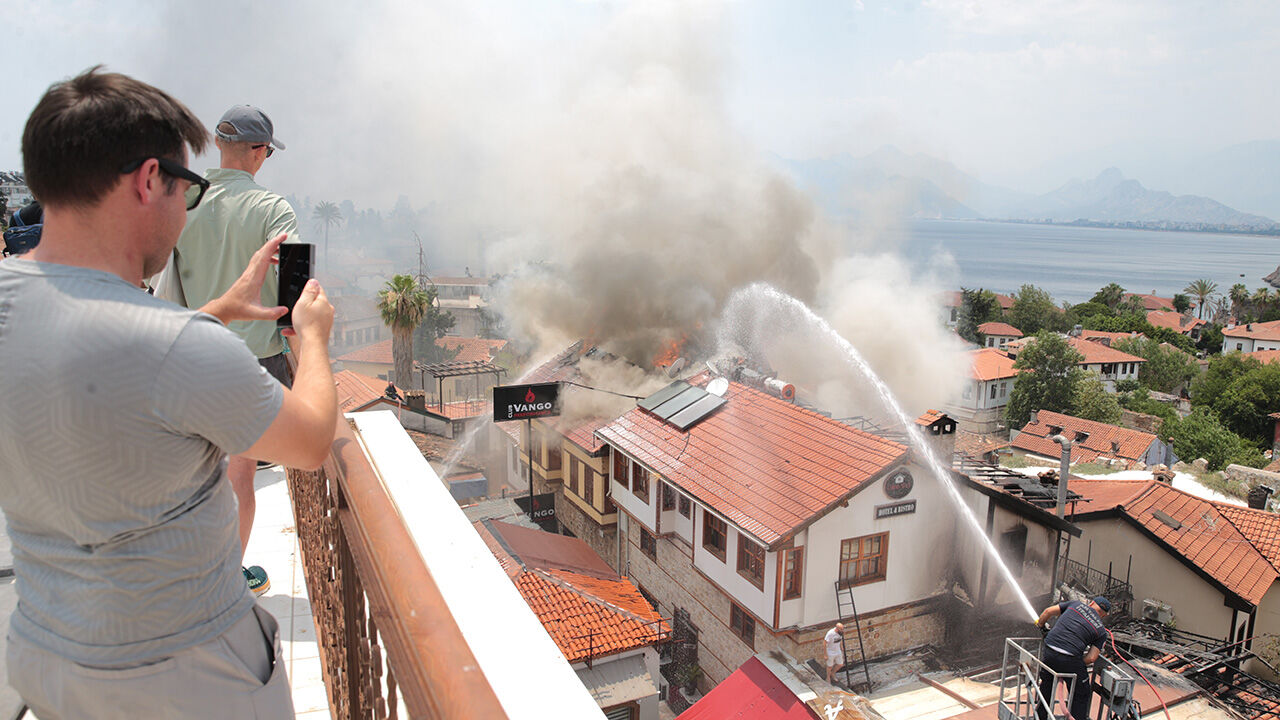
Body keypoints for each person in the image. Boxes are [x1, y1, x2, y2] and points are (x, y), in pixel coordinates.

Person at [0, 67, 337, 718]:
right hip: (187, 682)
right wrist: (314, 337)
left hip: (47, 661)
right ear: (149, 180)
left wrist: (218, 308)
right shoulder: (175, 346)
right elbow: (313, 442)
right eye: (187, 188)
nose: (187, 209)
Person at [172, 103, 300, 596]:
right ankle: (228, 577)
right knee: (239, 470)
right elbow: (294, 290)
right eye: (266, 150)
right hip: (252, 362)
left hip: (189, 350)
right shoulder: (273, 210)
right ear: (258, 151)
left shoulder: (182, 201)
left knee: (196, 467)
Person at [1033, 596, 1111, 720]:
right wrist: (1075, 663)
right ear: (1104, 615)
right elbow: (1091, 658)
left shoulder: (1075, 605)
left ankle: (1040, 716)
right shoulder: (1101, 631)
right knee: (1081, 692)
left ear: (1091, 603)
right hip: (1070, 657)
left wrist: (1042, 627)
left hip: (1050, 649)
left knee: (1047, 684)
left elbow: (1047, 612)